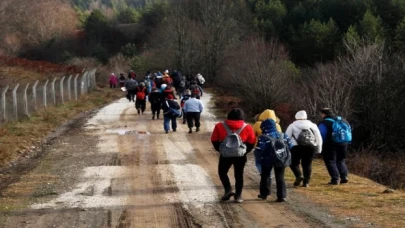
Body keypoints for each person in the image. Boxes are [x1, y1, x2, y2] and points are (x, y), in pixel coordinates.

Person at [211, 108, 256, 203]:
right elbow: (252, 141)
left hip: (225, 154)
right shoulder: (247, 127)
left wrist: (220, 149)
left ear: (229, 115)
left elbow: (214, 139)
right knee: (239, 175)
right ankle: (238, 196)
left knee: (222, 172)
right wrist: (245, 151)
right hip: (240, 155)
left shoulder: (219, 126)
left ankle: (228, 189)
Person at [255, 119, 293, 202]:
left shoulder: (263, 137)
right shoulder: (283, 135)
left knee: (265, 176)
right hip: (281, 158)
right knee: (280, 176)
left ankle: (264, 194)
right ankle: (282, 196)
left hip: (267, 159)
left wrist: (258, 160)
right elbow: (290, 145)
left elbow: (259, 149)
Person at [285, 110, 323, 187]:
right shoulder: (313, 125)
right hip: (310, 146)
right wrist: (319, 149)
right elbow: (318, 138)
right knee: (307, 164)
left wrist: (286, 148)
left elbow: (287, 137)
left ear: (296, 117)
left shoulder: (292, 126)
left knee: (293, 163)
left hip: (296, 147)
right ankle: (306, 182)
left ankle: (299, 175)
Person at [318, 108, 350, 185]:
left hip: (330, 144)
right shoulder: (342, 120)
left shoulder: (324, 123)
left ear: (323, 114)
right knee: (341, 160)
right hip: (344, 142)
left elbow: (322, 135)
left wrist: (321, 145)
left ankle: (335, 179)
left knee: (330, 161)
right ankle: (344, 176)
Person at [252, 109, 282, 173]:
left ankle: (265, 174)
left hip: (260, 146)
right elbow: (280, 137)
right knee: (271, 162)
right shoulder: (277, 125)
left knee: (259, 163)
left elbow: (252, 135)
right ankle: (268, 175)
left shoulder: (257, 124)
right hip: (274, 147)